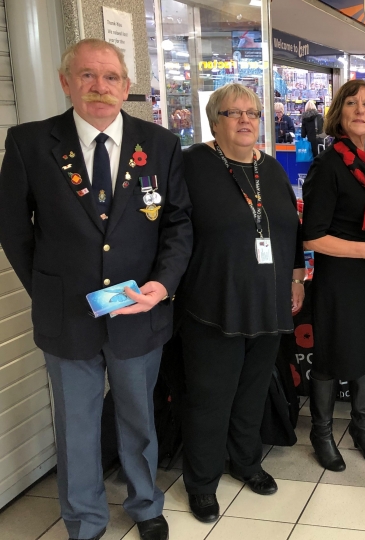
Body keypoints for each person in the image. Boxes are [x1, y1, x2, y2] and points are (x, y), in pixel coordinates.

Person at [0, 39, 193, 540]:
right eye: (87, 75)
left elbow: (178, 225)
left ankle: (145, 503)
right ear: (66, 82)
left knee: (138, 417)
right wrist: (49, 289)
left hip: (140, 310)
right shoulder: (29, 143)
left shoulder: (162, 144)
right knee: (77, 425)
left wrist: (163, 285)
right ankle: (85, 520)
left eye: (110, 77)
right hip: (67, 316)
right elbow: (15, 231)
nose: (99, 87)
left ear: (127, 87)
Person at [176, 83, 305, 523]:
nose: (245, 120)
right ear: (215, 122)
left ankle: (246, 462)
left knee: (251, 392)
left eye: (252, 112)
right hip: (213, 305)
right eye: (234, 113)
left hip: (267, 303)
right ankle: (203, 482)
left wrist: (296, 276)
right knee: (210, 398)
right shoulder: (191, 164)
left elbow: (290, 228)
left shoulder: (268, 168)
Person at [302, 79, 365, 471]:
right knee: (330, 356)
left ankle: (363, 428)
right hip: (341, 277)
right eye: (352, 103)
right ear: (339, 113)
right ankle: (322, 433)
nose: (361, 110)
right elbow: (312, 237)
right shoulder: (327, 165)